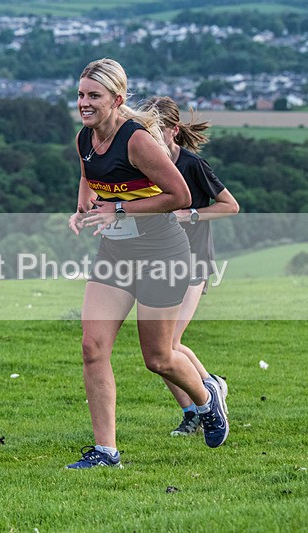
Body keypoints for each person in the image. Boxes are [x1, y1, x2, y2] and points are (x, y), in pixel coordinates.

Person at [66, 58, 229, 469]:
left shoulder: (137, 140)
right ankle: (106, 452)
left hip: (162, 253)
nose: (84, 103)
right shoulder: (84, 138)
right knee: (92, 347)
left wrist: (118, 209)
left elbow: (180, 196)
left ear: (117, 99)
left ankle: (208, 398)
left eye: (94, 96)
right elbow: (90, 174)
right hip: (116, 254)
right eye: (81, 94)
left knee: (158, 357)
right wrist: (83, 207)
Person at [140, 96, 240, 437]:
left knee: (170, 343)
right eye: (147, 131)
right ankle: (193, 410)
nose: (152, 137)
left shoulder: (193, 165)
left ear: (174, 130)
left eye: (158, 131)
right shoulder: (145, 164)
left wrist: (193, 213)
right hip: (159, 261)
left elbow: (231, 206)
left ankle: (210, 390)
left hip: (194, 261)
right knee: (162, 349)